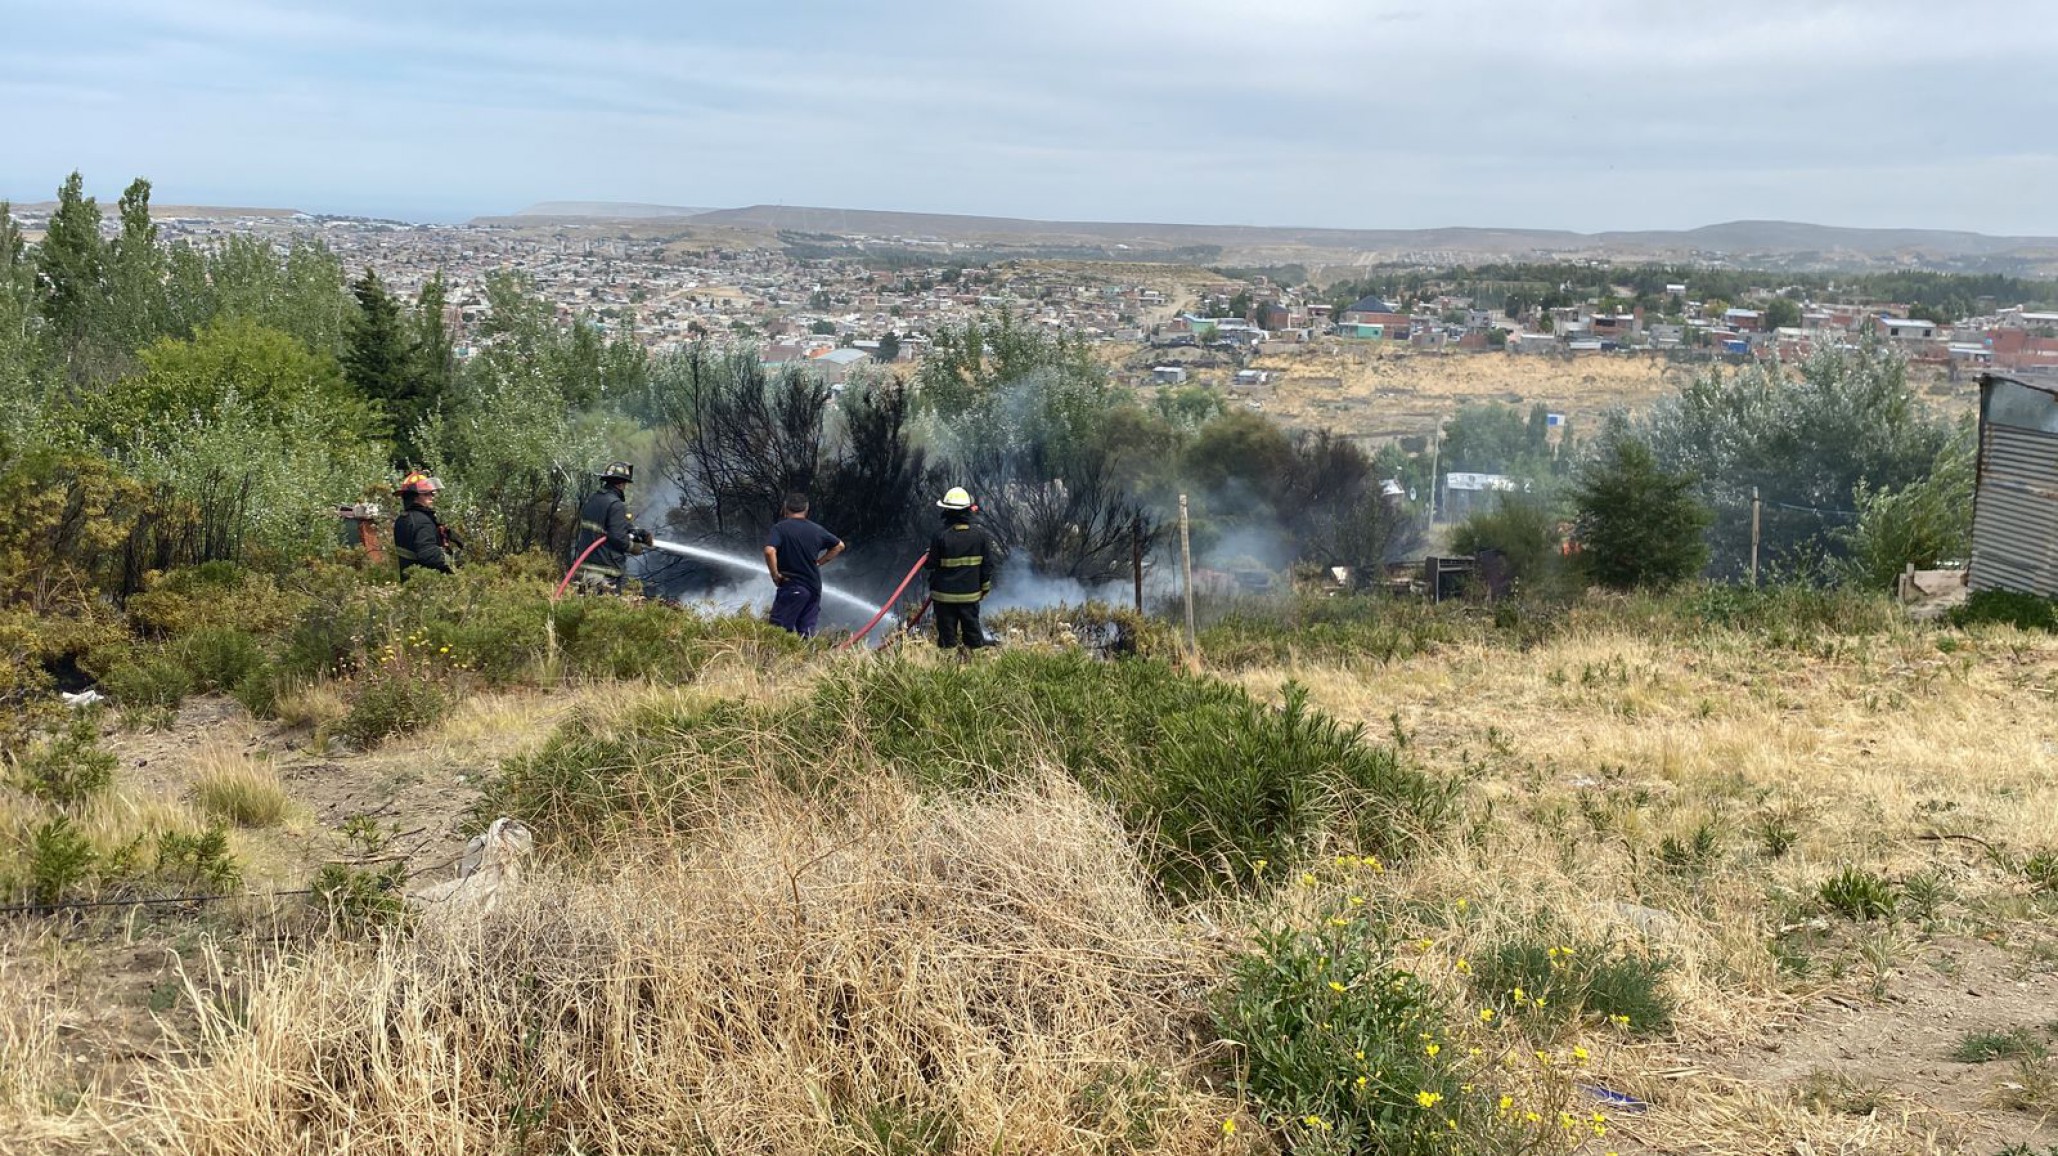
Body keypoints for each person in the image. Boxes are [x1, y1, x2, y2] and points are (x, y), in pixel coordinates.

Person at [763, 492, 844, 637]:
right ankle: (807, 658)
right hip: (814, 588)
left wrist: (775, 575)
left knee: (777, 632)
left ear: (785, 508)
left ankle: (775, 659)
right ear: (806, 510)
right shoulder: (817, 530)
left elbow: (769, 551)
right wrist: (820, 562)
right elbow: (839, 545)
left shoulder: (780, 528)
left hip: (792, 586)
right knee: (806, 634)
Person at [925, 486, 995, 651]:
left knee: (947, 639)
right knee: (972, 634)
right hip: (969, 597)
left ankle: (949, 666)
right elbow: (988, 566)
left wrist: (929, 555)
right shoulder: (980, 536)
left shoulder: (940, 535)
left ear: (947, 511)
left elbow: (931, 564)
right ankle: (974, 662)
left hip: (944, 598)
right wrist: (984, 588)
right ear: (968, 510)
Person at [569, 460, 651, 593]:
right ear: (621, 483)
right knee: (605, 610)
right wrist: (633, 547)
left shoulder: (594, 499)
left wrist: (637, 532)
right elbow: (617, 536)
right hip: (606, 571)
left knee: (585, 608)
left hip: (586, 568)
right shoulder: (616, 504)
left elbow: (609, 525)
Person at [393, 472, 463, 577]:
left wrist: (444, 533)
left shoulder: (402, 518)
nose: (432, 497)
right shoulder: (422, 521)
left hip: (410, 582)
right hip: (428, 585)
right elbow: (428, 554)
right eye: (427, 493)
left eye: (432, 493)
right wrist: (456, 559)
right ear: (415, 496)